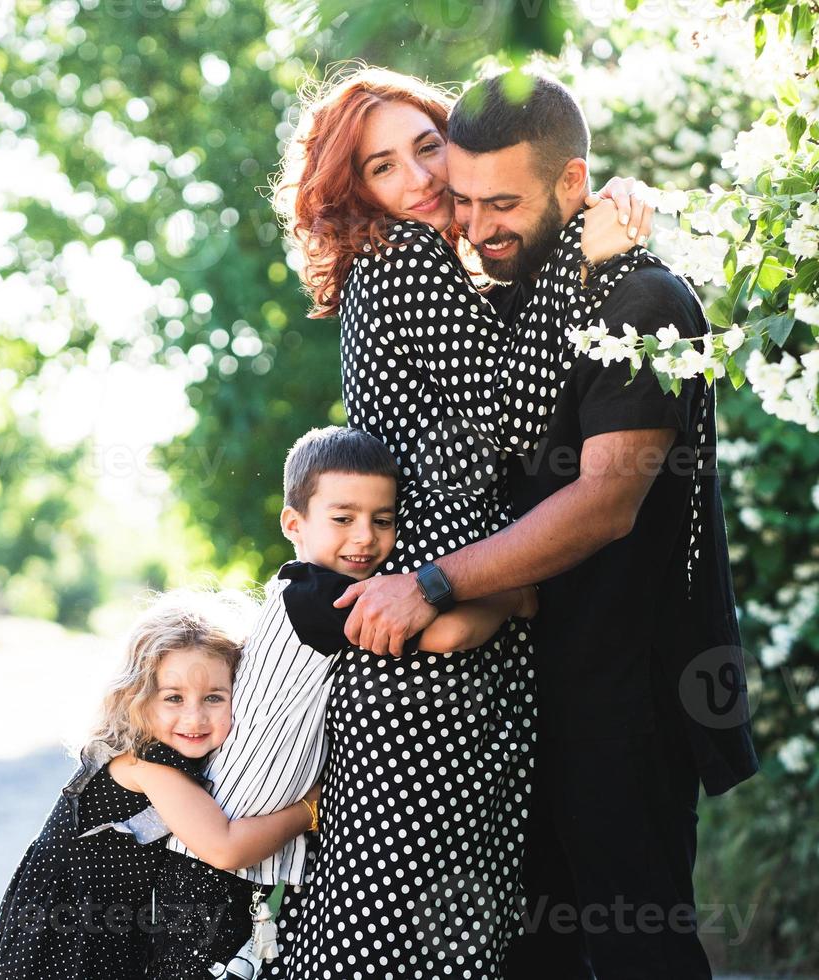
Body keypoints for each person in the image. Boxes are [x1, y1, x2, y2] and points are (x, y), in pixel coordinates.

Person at [333, 73, 761, 978]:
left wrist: (437, 584)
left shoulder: (645, 305)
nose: (476, 223)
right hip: (516, 694)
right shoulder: (503, 291)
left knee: (640, 953)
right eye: (465, 199)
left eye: (501, 202)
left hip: (623, 699)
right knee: (534, 961)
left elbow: (606, 501)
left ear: (574, 185)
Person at [265, 64, 653, 979]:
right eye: (383, 168)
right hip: (435, 613)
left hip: (462, 592)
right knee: (419, 922)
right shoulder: (403, 262)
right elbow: (519, 423)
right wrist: (587, 254)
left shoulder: (438, 263)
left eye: (428, 148)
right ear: (353, 195)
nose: (420, 180)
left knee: (454, 916)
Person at [150, 425, 538, 979]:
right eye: (343, 518)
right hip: (217, 857)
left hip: (249, 855)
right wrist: (511, 593)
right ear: (293, 524)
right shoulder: (321, 597)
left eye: (383, 520)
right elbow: (452, 636)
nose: (365, 537)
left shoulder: (299, 591)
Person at [0, 591, 320, 980]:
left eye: (214, 697)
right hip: (68, 932)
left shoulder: (165, 755)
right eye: (173, 698)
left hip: (100, 927)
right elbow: (224, 847)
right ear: (138, 700)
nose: (194, 718)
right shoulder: (147, 762)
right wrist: (308, 811)